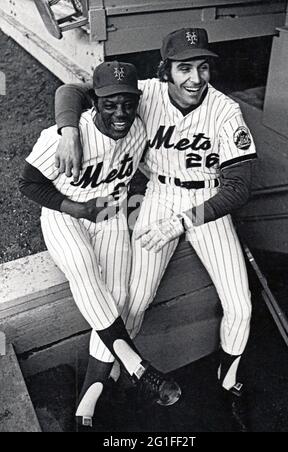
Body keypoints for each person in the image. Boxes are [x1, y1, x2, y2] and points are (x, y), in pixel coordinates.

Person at [54, 28, 257, 430]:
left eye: (203, 67)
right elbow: (71, 90)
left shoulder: (224, 110)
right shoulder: (144, 92)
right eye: (185, 68)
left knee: (241, 305)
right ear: (166, 70)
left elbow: (239, 187)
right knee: (135, 298)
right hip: (160, 196)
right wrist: (69, 129)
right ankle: (100, 384)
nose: (195, 78)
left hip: (207, 204)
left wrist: (183, 222)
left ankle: (228, 380)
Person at [19, 61, 181, 428]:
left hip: (108, 212)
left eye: (128, 102)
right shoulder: (62, 137)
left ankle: (87, 402)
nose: (120, 112)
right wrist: (76, 206)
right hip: (66, 215)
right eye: (110, 104)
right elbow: (28, 183)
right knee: (84, 269)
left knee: (120, 294)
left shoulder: (137, 131)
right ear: (95, 103)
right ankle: (137, 365)